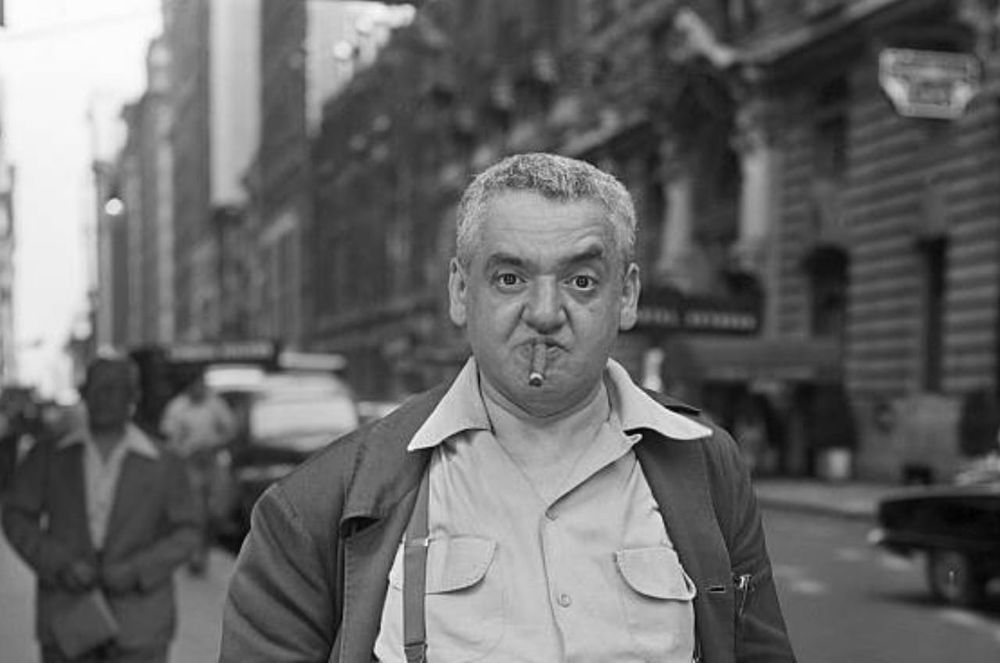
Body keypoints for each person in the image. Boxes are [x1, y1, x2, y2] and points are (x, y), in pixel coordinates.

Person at [220, 153, 796, 662]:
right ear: (460, 292)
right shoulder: (317, 508)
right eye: (510, 278)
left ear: (626, 296)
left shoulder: (707, 467)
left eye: (582, 281)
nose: (544, 312)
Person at [2, 355, 200, 663]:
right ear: (83, 393)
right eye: (95, 388)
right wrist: (59, 563)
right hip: (67, 620)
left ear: (133, 395)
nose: (103, 397)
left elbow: (188, 531)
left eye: (113, 388)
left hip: (141, 624)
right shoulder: (49, 455)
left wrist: (138, 570)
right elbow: (15, 515)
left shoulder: (164, 462)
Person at [159, 370, 236, 573]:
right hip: (188, 464)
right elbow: (170, 440)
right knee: (196, 511)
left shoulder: (216, 405)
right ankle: (195, 554)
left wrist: (214, 445)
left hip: (213, 461)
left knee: (215, 511)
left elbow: (230, 431)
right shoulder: (177, 408)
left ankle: (205, 549)